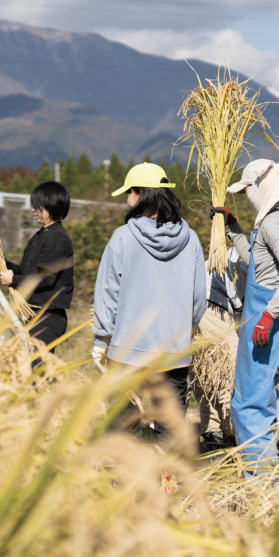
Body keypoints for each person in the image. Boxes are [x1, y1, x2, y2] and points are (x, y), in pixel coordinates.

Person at [91, 163, 206, 439]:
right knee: (171, 427)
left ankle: (126, 478)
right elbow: (199, 298)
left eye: (128, 194)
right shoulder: (190, 239)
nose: (126, 200)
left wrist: (101, 339)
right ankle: (169, 480)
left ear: (139, 194)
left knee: (124, 423)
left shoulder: (122, 237)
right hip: (175, 350)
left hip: (127, 350)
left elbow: (108, 292)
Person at [212, 158, 279, 476]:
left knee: (247, 402)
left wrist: (267, 316)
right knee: (264, 391)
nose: (246, 197)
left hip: (269, 317)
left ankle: (261, 483)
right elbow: (260, 262)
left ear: (262, 188)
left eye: (248, 191)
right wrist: (234, 229)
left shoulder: (271, 223)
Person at [0, 181, 74, 350]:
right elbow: (25, 272)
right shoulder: (39, 236)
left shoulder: (57, 238)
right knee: (31, 372)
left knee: (38, 371)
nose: (33, 209)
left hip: (47, 317)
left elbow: (46, 279)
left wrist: (14, 279)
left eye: (38, 206)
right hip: (33, 315)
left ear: (51, 205)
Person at [193, 247, 247, 451]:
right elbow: (246, 305)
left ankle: (212, 434)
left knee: (206, 373)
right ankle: (237, 437)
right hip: (214, 307)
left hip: (193, 309)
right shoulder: (249, 258)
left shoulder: (232, 252)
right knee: (228, 375)